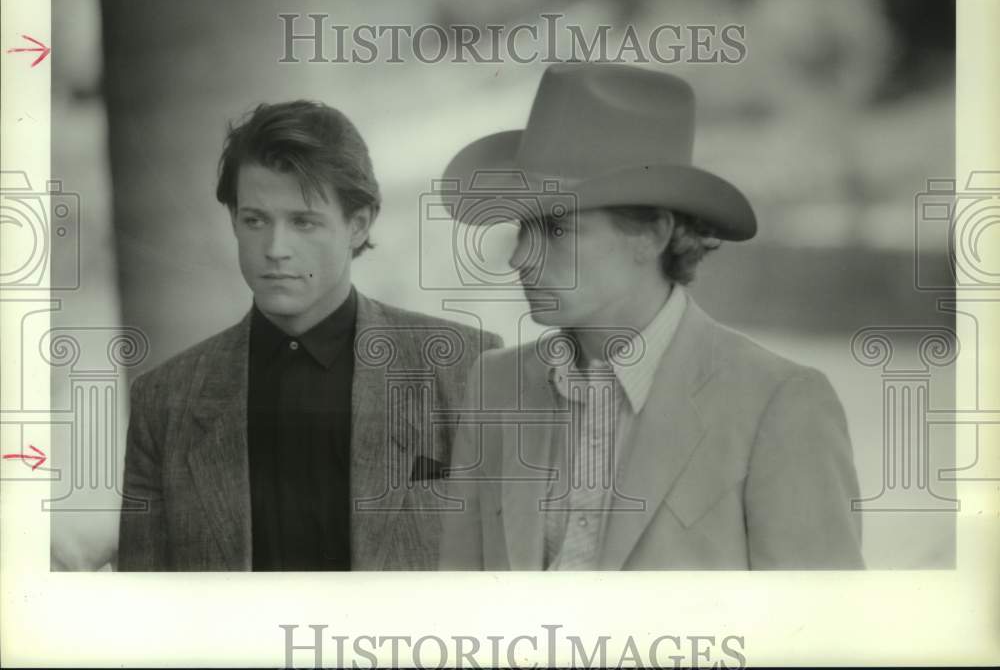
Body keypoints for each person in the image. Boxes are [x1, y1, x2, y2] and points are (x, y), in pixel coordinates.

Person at [437, 62, 864, 570]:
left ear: (652, 234)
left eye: (555, 229)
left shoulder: (778, 402)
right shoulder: (495, 386)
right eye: (520, 227)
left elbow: (818, 635)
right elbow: (460, 608)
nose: (519, 257)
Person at [118, 100, 501, 571]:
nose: (275, 249)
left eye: (304, 222)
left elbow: (509, 585)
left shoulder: (468, 368)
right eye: (255, 221)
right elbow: (144, 613)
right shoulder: (165, 401)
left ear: (357, 225)